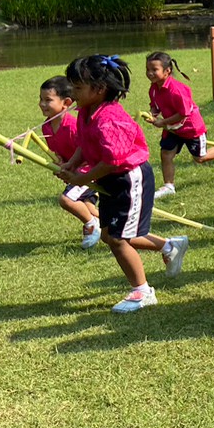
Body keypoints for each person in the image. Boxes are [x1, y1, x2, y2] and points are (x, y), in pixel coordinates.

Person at [54, 54, 187, 314]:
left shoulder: (110, 119)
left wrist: (82, 179)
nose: (72, 93)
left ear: (99, 89)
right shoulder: (86, 112)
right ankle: (170, 246)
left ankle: (142, 291)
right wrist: (72, 163)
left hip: (128, 178)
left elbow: (113, 161)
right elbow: (84, 143)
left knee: (117, 238)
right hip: (111, 177)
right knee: (110, 235)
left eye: (78, 87)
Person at [144, 51, 214, 200]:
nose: (150, 73)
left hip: (191, 128)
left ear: (167, 71)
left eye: (154, 69)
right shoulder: (154, 88)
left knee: (200, 158)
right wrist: (152, 114)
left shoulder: (177, 90)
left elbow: (184, 113)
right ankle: (169, 186)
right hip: (173, 129)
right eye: (147, 69)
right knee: (166, 154)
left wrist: (163, 122)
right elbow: (155, 105)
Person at [39, 74, 101, 249]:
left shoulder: (73, 126)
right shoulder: (46, 126)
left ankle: (92, 226)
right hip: (74, 171)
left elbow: (89, 153)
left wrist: (75, 170)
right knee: (88, 207)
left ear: (66, 102)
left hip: (90, 171)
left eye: (48, 100)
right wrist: (60, 163)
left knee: (66, 200)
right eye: (41, 99)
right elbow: (60, 153)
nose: (42, 104)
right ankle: (111, 225)